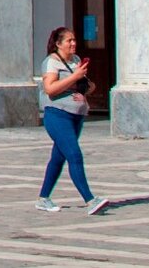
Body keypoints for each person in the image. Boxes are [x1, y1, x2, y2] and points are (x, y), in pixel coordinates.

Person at [36, 26, 108, 215]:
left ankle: (43, 198)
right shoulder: (51, 62)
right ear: (58, 44)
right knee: (74, 154)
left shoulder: (76, 61)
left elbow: (87, 85)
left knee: (58, 158)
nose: (73, 43)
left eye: (74, 40)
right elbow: (50, 89)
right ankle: (90, 200)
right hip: (57, 115)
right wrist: (75, 78)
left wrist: (82, 89)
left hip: (76, 116)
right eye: (69, 41)